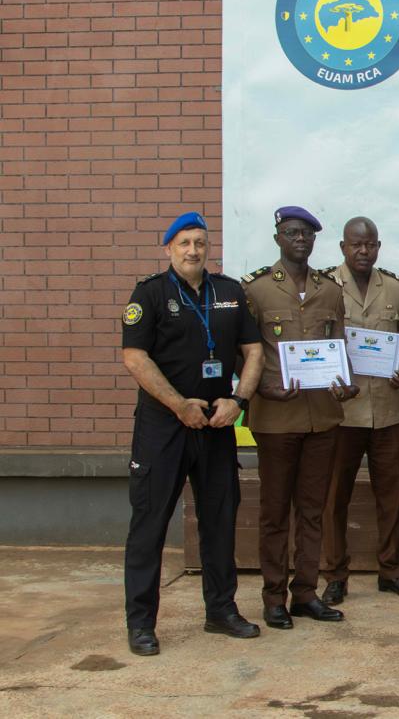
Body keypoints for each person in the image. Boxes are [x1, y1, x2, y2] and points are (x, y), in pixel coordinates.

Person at [120, 212, 265, 656]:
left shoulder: (229, 292)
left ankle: (221, 611)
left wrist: (238, 400)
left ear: (208, 248)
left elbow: (253, 351)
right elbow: (135, 357)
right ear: (169, 248)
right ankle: (141, 624)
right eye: (184, 243)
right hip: (163, 427)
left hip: (216, 425)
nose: (193, 250)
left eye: (200, 242)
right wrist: (178, 404)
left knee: (219, 521)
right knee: (149, 525)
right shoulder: (150, 294)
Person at [242, 206, 358, 630]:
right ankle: (274, 596)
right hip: (276, 418)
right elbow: (243, 352)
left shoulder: (329, 290)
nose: (300, 240)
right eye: (292, 232)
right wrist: (259, 388)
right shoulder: (256, 290)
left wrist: (345, 382)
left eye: (307, 234)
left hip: (322, 417)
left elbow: (338, 345)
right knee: (275, 512)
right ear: (278, 238)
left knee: (312, 509)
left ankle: (306, 593)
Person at [319, 217, 399, 607]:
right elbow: (316, 342)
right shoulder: (325, 286)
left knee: (391, 497)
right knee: (334, 498)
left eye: (371, 244)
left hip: (388, 411)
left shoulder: (394, 288)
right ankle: (335, 576)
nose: (364, 251)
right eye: (356, 244)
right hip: (341, 413)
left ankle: (391, 571)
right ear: (343, 247)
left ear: (378, 247)